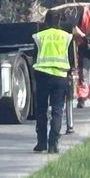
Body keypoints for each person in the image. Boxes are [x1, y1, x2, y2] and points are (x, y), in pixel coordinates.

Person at [32, 9, 74, 154]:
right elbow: (71, 59)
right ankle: (53, 143)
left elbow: (34, 57)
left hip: (42, 76)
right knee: (57, 110)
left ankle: (41, 142)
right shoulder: (66, 37)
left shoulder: (39, 36)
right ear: (59, 21)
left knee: (41, 110)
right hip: (60, 76)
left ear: (46, 20)